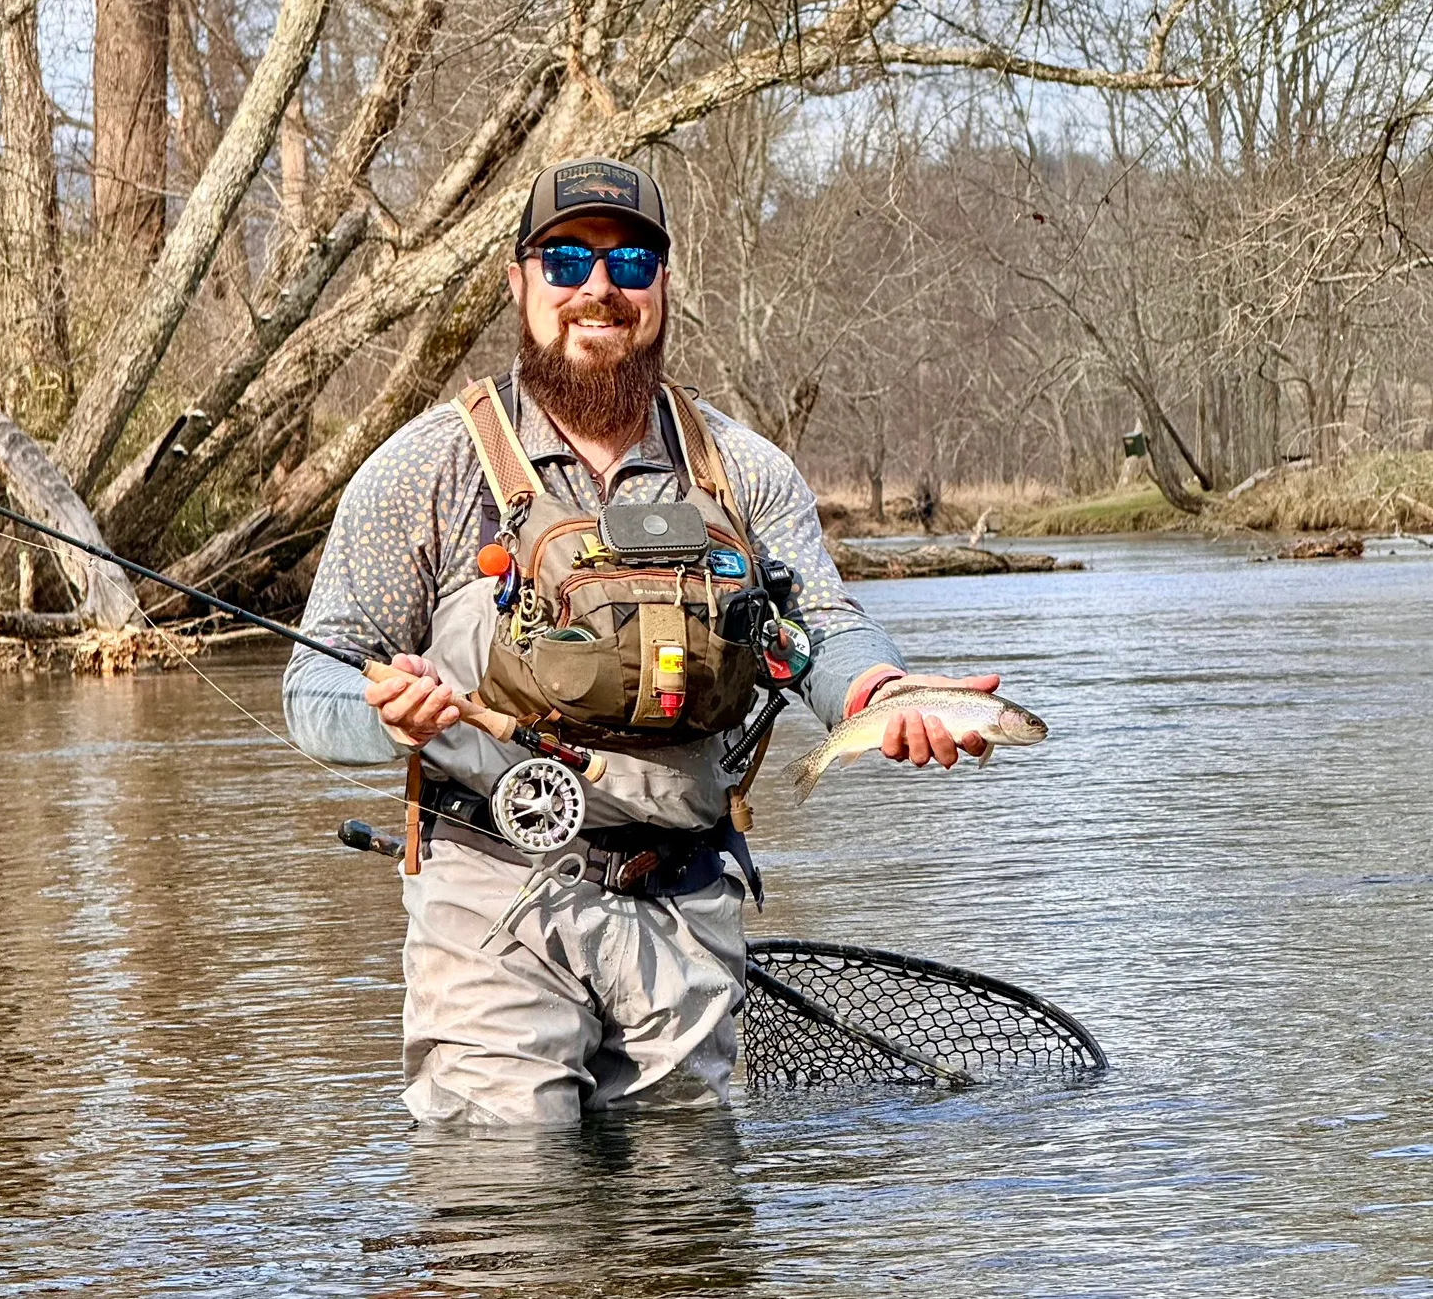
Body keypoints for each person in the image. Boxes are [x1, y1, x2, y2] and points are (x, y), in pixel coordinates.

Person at [284, 156, 996, 1126]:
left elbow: (815, 627)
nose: (599, 288)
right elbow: (309, 691)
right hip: (492, 904)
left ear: (662, 282)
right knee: (510, 1219)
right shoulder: (428, 469)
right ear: (519, 283)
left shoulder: (743, 469)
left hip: (689, 904)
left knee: (683, 1244)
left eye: (630, 261)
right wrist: (385, 717)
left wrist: (878, 695)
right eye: (567, 260)